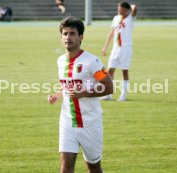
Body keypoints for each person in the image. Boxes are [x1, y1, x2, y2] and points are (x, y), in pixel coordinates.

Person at [48, 17, 113, 173]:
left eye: (72, 33)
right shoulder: (60, 61)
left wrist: (83, 93)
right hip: (68, 123)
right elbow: (67, 85)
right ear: (61, 37)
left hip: (90, 124)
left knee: (93, 168)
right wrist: (58, 94)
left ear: (81, 37)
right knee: (65, 169)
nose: (68, 37)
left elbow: (109, 87)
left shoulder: (93, 61)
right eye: (65, 34)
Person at [101, 2, 137, 101]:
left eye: (121, 9)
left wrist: (130, 7)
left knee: (124, 71)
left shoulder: (130, 18)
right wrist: (105, 47)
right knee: (109, 71)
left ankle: (123, 95)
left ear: (126, 10)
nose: (119, 10)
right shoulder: (116, 18)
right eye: (118, 8)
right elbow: (111, 33)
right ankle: (108, 94)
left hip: (126, 48)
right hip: (116, 48)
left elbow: (134, 8)